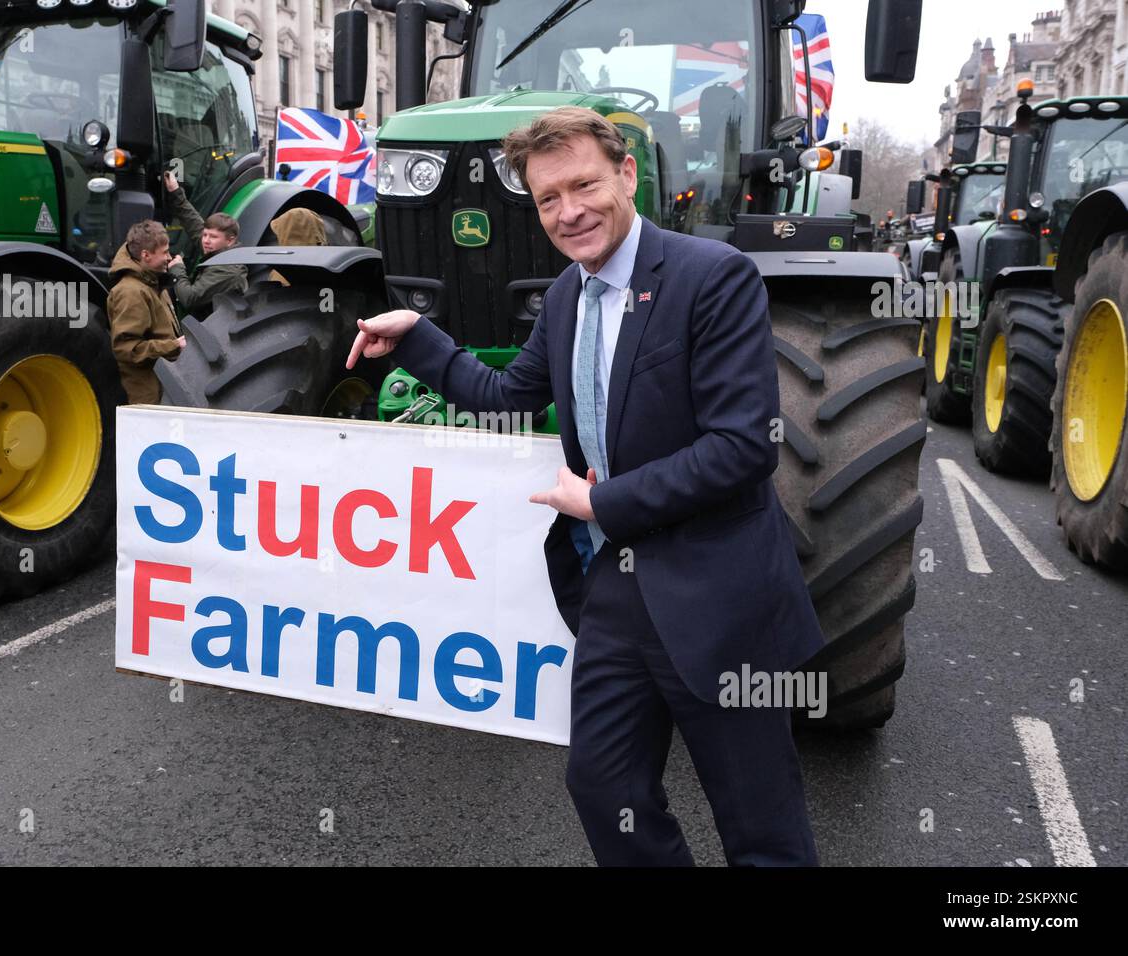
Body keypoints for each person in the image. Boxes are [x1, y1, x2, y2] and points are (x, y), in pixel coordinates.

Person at [346, 107, 825, 867]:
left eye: (583, 186)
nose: (568, 212)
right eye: (546, 199)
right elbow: (507, 395)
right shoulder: (569, 296)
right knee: (604, 787)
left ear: (626, 175)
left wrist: (601, 503)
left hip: (719, 593)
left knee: (760, 829)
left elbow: (742, 449)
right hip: (617, 589)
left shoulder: (712, 277)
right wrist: (417, 338)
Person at [108, 219, 185, 405]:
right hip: (147, 397)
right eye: (165, 252)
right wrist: (174, 346)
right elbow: (127, 349)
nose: (169, 257)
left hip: (162, 388)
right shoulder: (131, 292)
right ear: (146, 255)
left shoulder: (153, 283)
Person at [161, 171, 249, 317]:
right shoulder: (221, 251)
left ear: (230, 240)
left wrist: (177, 269)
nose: (206, 240)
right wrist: (176, 192)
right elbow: (194, 224)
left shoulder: (227, 270)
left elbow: (190, 298)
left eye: (213, 237)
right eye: (205, 235)